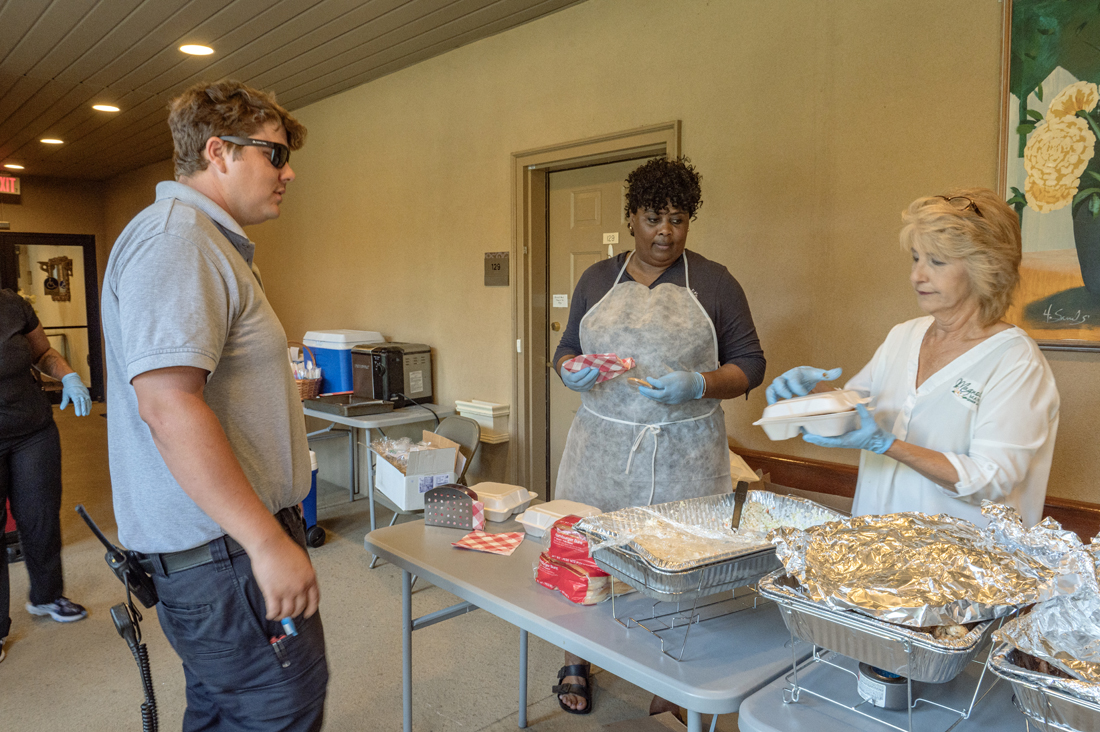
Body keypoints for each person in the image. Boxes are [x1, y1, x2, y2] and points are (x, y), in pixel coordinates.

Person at [101, 80, 327, 730]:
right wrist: (265, 540)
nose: (289, 172)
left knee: (221, 710)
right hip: (226, 553)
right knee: (279, 709)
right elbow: (169, 407)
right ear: (220, 151)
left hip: (225, 547)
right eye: (276, 155)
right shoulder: (179, 240)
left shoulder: (203, 240)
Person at [551, 156, 766, 716]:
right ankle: (576, 661)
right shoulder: (598, 279)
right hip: (601, 449)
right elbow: (565, 349)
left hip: (683, 454)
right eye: (652, 219)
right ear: (630, 219)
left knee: (674, 561)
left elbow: (751, 364)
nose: (665, 233)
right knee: (589, 550)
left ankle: (667, 672)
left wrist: (699, 383)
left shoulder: (715, 282)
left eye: (677, 219)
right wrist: (571, 368)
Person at [766, 188, 1059, 527]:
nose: (917, 275)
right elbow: (854, 411)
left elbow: (991, 479)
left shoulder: (1015, 362)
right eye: (916, 258)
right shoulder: (903, 336)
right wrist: (809, 396)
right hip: (875, 553)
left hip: (963, 571)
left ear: (986, 269)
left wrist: (888, 444)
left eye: (936, 262)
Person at [0, 289, 92, 663]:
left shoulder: (12, 304)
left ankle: (47, 595)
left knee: (40, 516)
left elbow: (43, 354)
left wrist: (68, 375)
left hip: (33, 431)